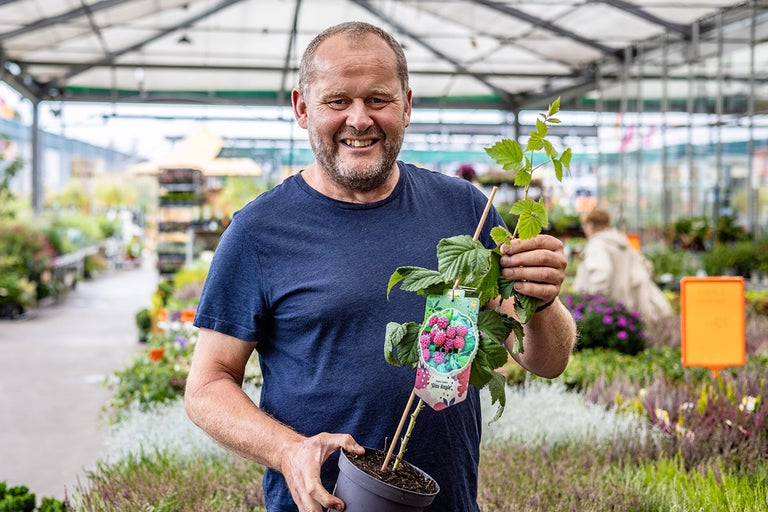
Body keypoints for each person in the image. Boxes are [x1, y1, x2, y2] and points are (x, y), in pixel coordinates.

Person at [184, 21, 577, 512]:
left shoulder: (466, 212)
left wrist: (543, 302)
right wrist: (288, 450)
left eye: (378, 99)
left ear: (406, 105)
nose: (359, 119)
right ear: (302, 109)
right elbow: (207, 385)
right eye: (336, 101)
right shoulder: (259, 232)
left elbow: (546, 361)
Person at [573, 207, 672, 320]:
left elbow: (601, 273)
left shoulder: (597, 244)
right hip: (629, 308)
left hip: (609, 312)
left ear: (590, 225)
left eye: (585, 226)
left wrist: (596, 306)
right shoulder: (621, 242)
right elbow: (646, 266)